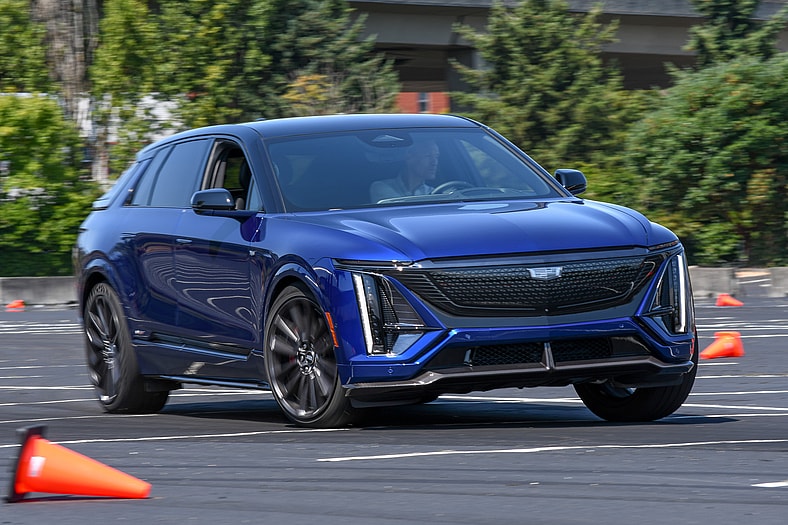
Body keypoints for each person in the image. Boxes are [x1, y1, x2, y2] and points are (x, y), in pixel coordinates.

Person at [370, 140, 440, 202]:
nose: (434, 162)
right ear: (410, 157)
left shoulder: (434, 192)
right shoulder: (381, 187)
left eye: (436, 157)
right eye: (428, 156)